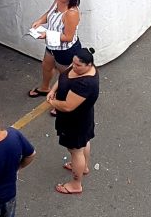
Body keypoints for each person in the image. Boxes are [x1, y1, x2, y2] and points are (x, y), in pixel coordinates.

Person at [47, 46, 99, 195]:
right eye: (73, 63)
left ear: (89, 65)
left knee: (75, 151)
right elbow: (64, 75)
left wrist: (52, 102)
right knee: (83, 143)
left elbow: (68, 106)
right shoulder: (78, 66)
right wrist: (53, 90)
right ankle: (84, 167)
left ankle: (76, 184)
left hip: (75, 122)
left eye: (78, 65)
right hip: (83, 119)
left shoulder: (85, 84)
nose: (74, 67)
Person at [28, 0, 81, 109]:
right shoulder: (58, 1)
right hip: (52, 46)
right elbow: (49, 14)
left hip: (65, 50)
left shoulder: (72, 13)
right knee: (46, 65)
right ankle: (45, 88)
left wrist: (47, 35)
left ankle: (61, 101)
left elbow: (68, 37)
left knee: (64, 77)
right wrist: (39, 21)